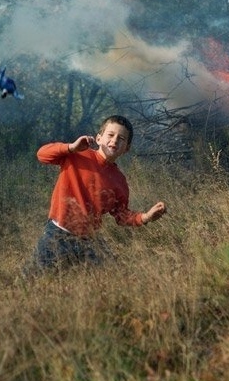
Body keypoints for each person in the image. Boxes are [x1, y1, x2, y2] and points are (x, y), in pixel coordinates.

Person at [25, 114, 167, 274]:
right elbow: (42, 155)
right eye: (110, 135)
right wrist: (71, 147)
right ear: (99, 138)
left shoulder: (119, 181)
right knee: (31, 279)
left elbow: (122, 215)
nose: (114, 141)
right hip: (57, 234)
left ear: (126, 148)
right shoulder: (77, 155)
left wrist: (145, 217)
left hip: (89, 241)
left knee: (113, 277)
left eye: (121, 139)